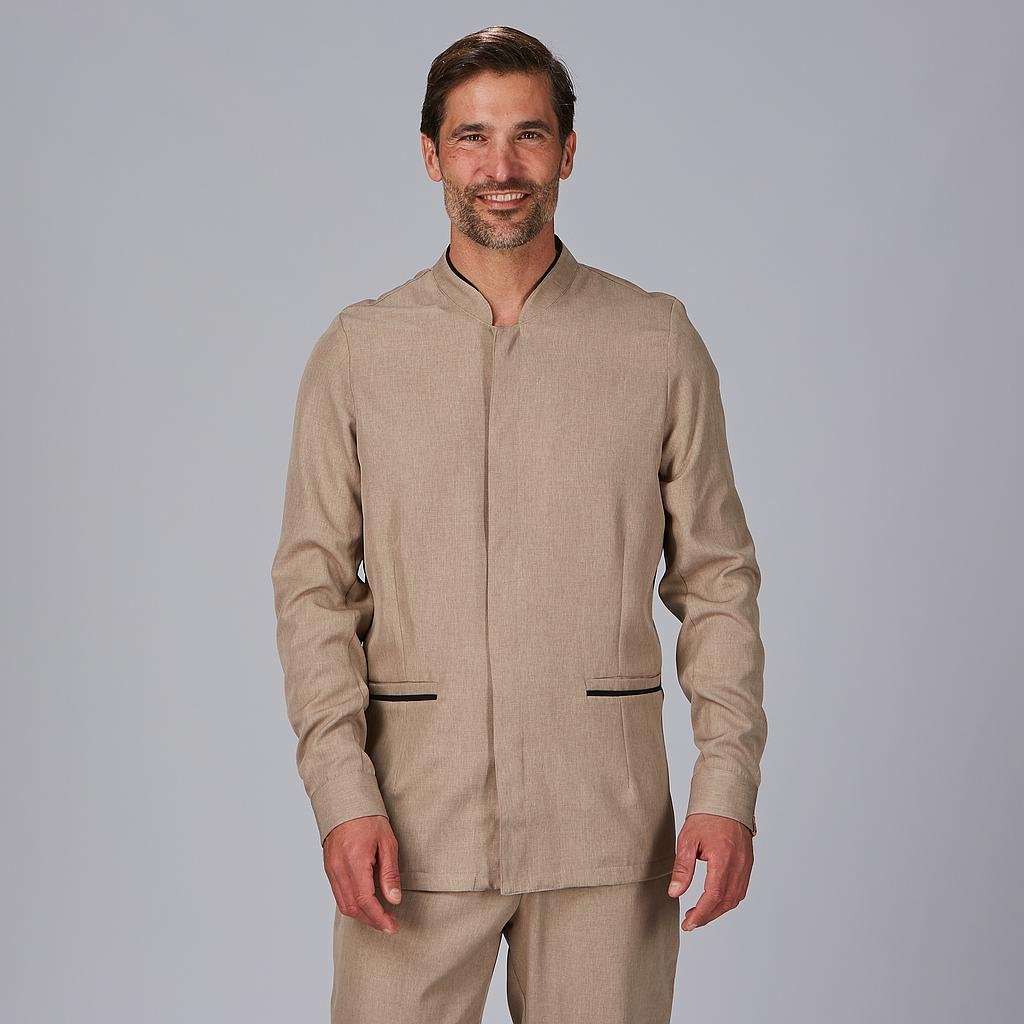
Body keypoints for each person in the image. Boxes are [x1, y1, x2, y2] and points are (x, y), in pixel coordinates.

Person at [271, 24, 768, 1024]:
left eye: (528, 135)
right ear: (431, 155)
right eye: (472, 137)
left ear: (567, 152)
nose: (500, 168)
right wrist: (342, 794)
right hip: (412, 826)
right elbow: (314, 590)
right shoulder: (361, 351)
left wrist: (726, 784)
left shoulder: (654, 340)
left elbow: (716, 579)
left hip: (607, 827)